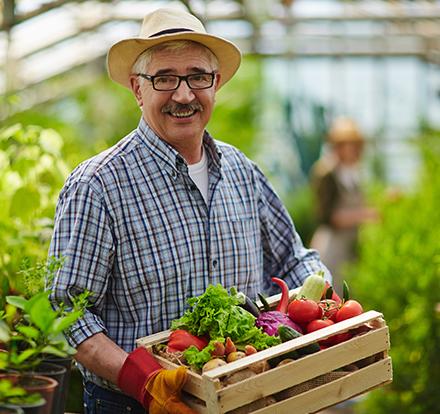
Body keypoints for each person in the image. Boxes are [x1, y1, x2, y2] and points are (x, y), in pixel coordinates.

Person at [48, 8, 331, 414]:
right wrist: (143, 381)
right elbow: (66, 310)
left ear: (215, 85)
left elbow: (294, 258)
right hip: (133, 406)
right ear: (137, 88)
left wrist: (327, 309)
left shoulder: (241, 171)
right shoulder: (98, 185)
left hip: (247, 394)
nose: (184, 95)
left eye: (198, 76)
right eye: (164, 78)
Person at [310, 117, 378, 293]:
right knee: (333, 294)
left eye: (354, 144)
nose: (351, 149)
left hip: (350, 245)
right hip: (333, 246)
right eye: (345, 144)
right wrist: (365, 216)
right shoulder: (326, 173)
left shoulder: (355, 172)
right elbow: (326, 216)